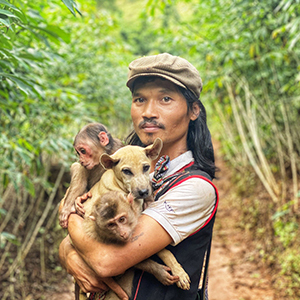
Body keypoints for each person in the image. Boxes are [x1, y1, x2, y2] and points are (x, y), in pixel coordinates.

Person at [59, 53, 219, 300]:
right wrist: (68, 254)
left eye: (165, 98)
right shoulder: (134, 171)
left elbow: (105, 260)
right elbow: (77, 245)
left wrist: (71, 220)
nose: (148, 112)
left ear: (193, 110)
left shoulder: (195, 188)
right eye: (140, 99)